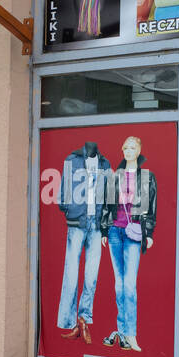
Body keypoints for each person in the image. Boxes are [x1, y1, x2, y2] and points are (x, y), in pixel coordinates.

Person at [100, 136, 156, 351]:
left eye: (133, 148)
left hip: (134, 233)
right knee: (119, 284)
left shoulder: (147, 177)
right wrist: (105, 230)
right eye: (126, 148)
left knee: (129, 286)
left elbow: (151, 207)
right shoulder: (115, 176)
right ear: (123, 151)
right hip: (115, 231)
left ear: (139, 150)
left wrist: (148, 233)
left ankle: (130, 333)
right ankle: (121, 331)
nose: (129, 151)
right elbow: (107, 204)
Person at [57, 141, 110, 344]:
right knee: (71, 274)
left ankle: (84, 320)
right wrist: (69, 209)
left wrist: (106, 221)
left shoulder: (105, 164)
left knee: (91, 275)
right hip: (77, 222)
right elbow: (64, 190)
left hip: (96, 225)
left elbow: (109, 195)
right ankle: (68, 322)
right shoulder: (72, 160)